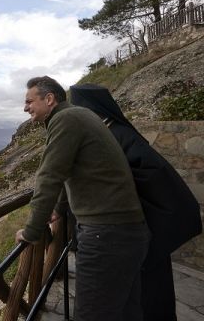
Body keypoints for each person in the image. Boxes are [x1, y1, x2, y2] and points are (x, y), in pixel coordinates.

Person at [15, 76, 150, 321]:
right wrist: (57, 208)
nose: (25, 108)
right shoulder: (79, 116)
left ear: (49, 99)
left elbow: (50, 176)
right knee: (127, 312)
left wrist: (32, 231)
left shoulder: (65, 119)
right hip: (126, 232)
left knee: (91, 314)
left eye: (29, 101)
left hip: (105, 235)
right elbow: (72, 171)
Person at [70, 83, 202, 321]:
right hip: (127, 233)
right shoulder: (113, 134)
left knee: (141, 300)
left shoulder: (119, 136)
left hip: (130, 233)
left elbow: (153, 175)